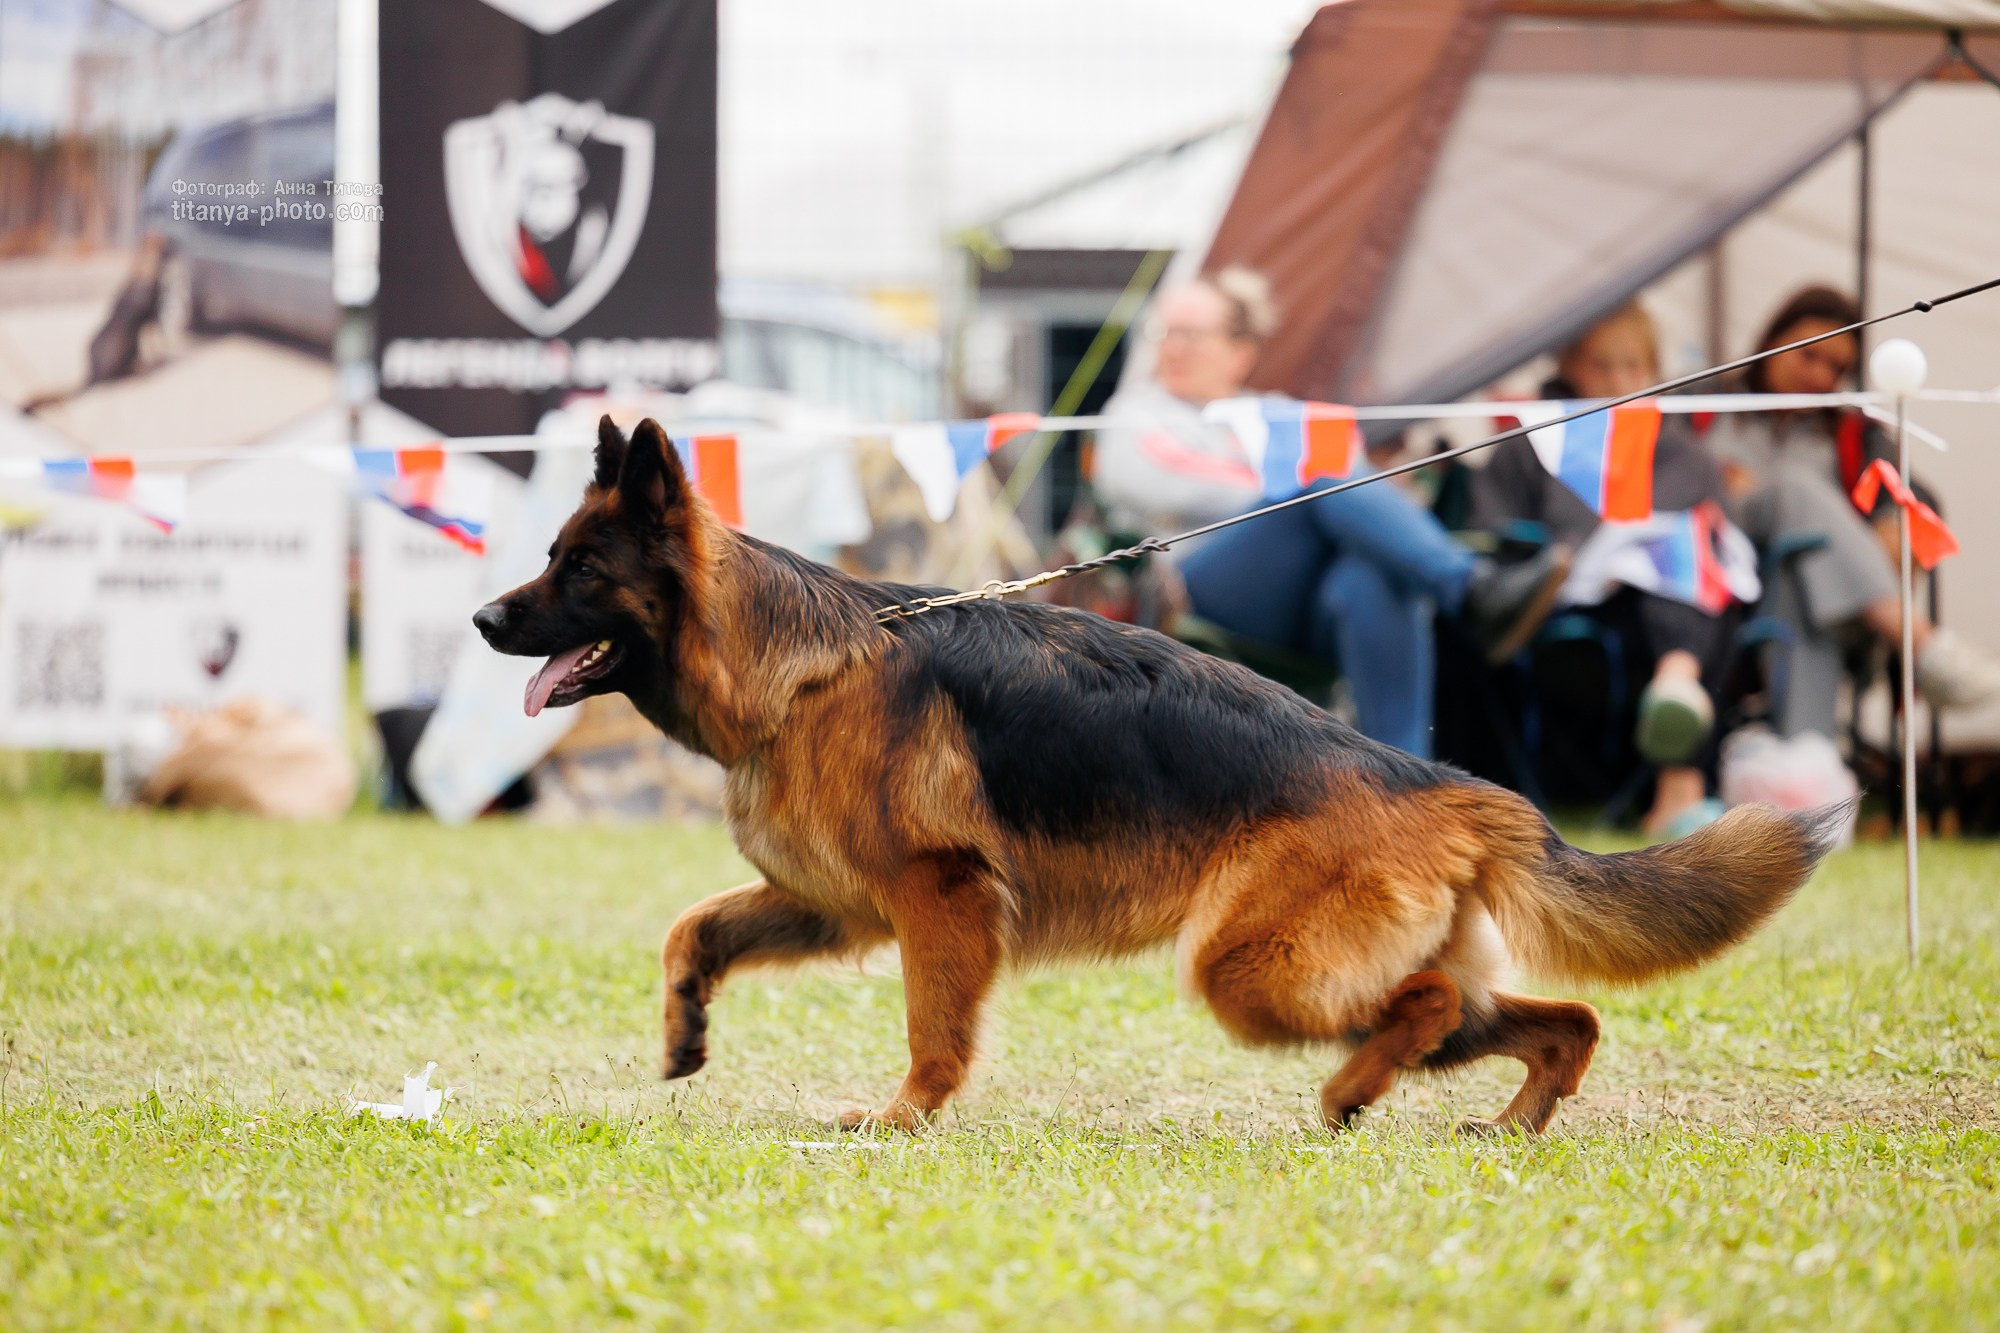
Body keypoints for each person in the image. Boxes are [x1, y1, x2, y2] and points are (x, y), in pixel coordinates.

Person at [1093, 268, 1569, 758]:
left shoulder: (1282, 413)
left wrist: (1317, 493)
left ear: (1242, 352)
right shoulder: (1136, 411)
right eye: (1164, 332)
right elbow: (1171, 485)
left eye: (1189, 334)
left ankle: (1403, 788)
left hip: (1307, 602)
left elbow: (1360, 494)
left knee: (1370, 575)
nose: (1172, 348)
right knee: (1324, 484)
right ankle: (1470, 591)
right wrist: (1300, 492)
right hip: (1199, 592)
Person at [1470, 302, 1735, 836]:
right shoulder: (1526, 443)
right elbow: (1495, 542)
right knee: (1686, 572)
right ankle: (1678, 784)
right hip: (1574, 615)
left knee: (1693, 564)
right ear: (1568, 364)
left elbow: (1719, 534)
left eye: (1633, 366)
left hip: (1660, 619)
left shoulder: (1685, 452)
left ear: (1655, 370)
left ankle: (1676, 704)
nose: (1618, 380)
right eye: (1602, 365)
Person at [1706, 287, 2000, 737]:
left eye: (1836, 368)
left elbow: (1915, 494)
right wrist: (1712, 478)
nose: (1821, 375)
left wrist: (1890, 521)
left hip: (1806, 587)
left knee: (1798, 572)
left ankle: (1802, 773)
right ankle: (1918, 643)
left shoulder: (1849, 429)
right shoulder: (1706, 403)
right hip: (1716, 578)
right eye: (1809, 356)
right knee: (1794, 485)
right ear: (1773, 340)